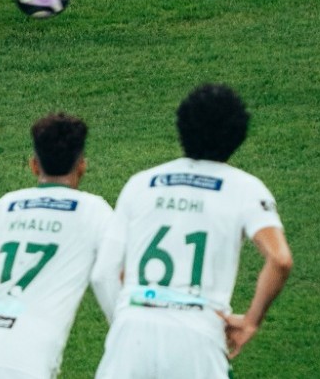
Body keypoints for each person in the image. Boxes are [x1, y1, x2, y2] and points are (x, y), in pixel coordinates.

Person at [90, 84, 294, 379]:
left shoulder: (141, 183)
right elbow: (280, 259)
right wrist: (251, 322)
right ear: (238, 134)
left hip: (130, 335)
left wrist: (129, 320)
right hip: (196, 338)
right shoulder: (245, 188)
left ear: (182, 127)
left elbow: (104, 273)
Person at [0, 113, 114, 379]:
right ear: (82, 165)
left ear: (34, 165)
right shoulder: (93, 211)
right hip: (25, 352)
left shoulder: (5, 206)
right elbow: (113, 273)